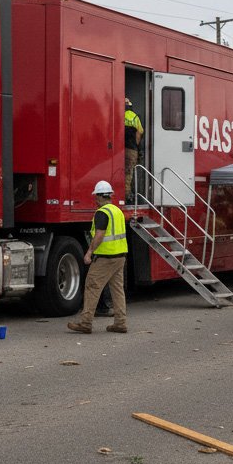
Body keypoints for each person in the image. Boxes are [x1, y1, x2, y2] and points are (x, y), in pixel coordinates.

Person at [67, 180, 129, 335]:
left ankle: (85, 323)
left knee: (92, 286)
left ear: (101, 196)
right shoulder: (117, 211)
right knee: (117, 290)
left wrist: (89, 252)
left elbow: (100, 235)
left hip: (106, 257)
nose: (95, 200)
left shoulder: (102, 212)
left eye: (96, 197)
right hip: (120, 256)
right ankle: (120, 323)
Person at [123, 98, 144, 201]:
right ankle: (127, 195)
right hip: (132, 150)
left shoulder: (119, 114)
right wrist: (138, 149)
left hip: (119, 150)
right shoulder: (135, 117)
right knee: (129, 173)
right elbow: (139, 133)